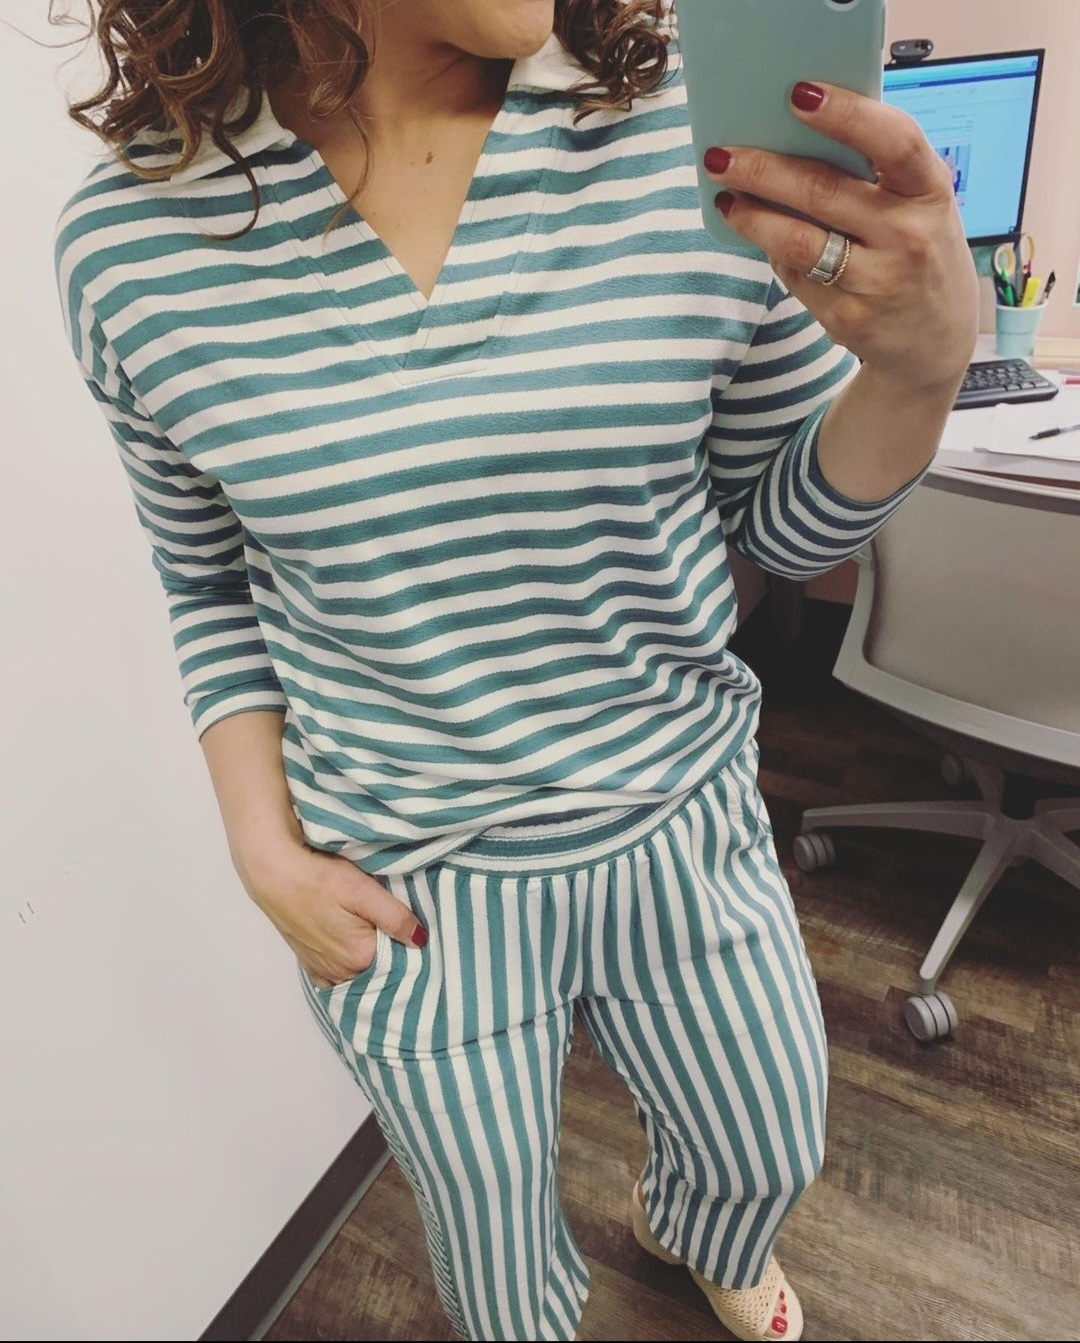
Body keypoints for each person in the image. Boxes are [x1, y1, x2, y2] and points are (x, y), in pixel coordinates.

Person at [53, 2, 978, 1339]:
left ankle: (699, 1228)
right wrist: (261, 850)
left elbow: (777, 531)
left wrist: (919, 372)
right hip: (413, 882)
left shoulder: (693, 138)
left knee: (769, 1144)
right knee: (493, 1269)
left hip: (678, 814)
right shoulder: (131, 245)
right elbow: (205, 581)